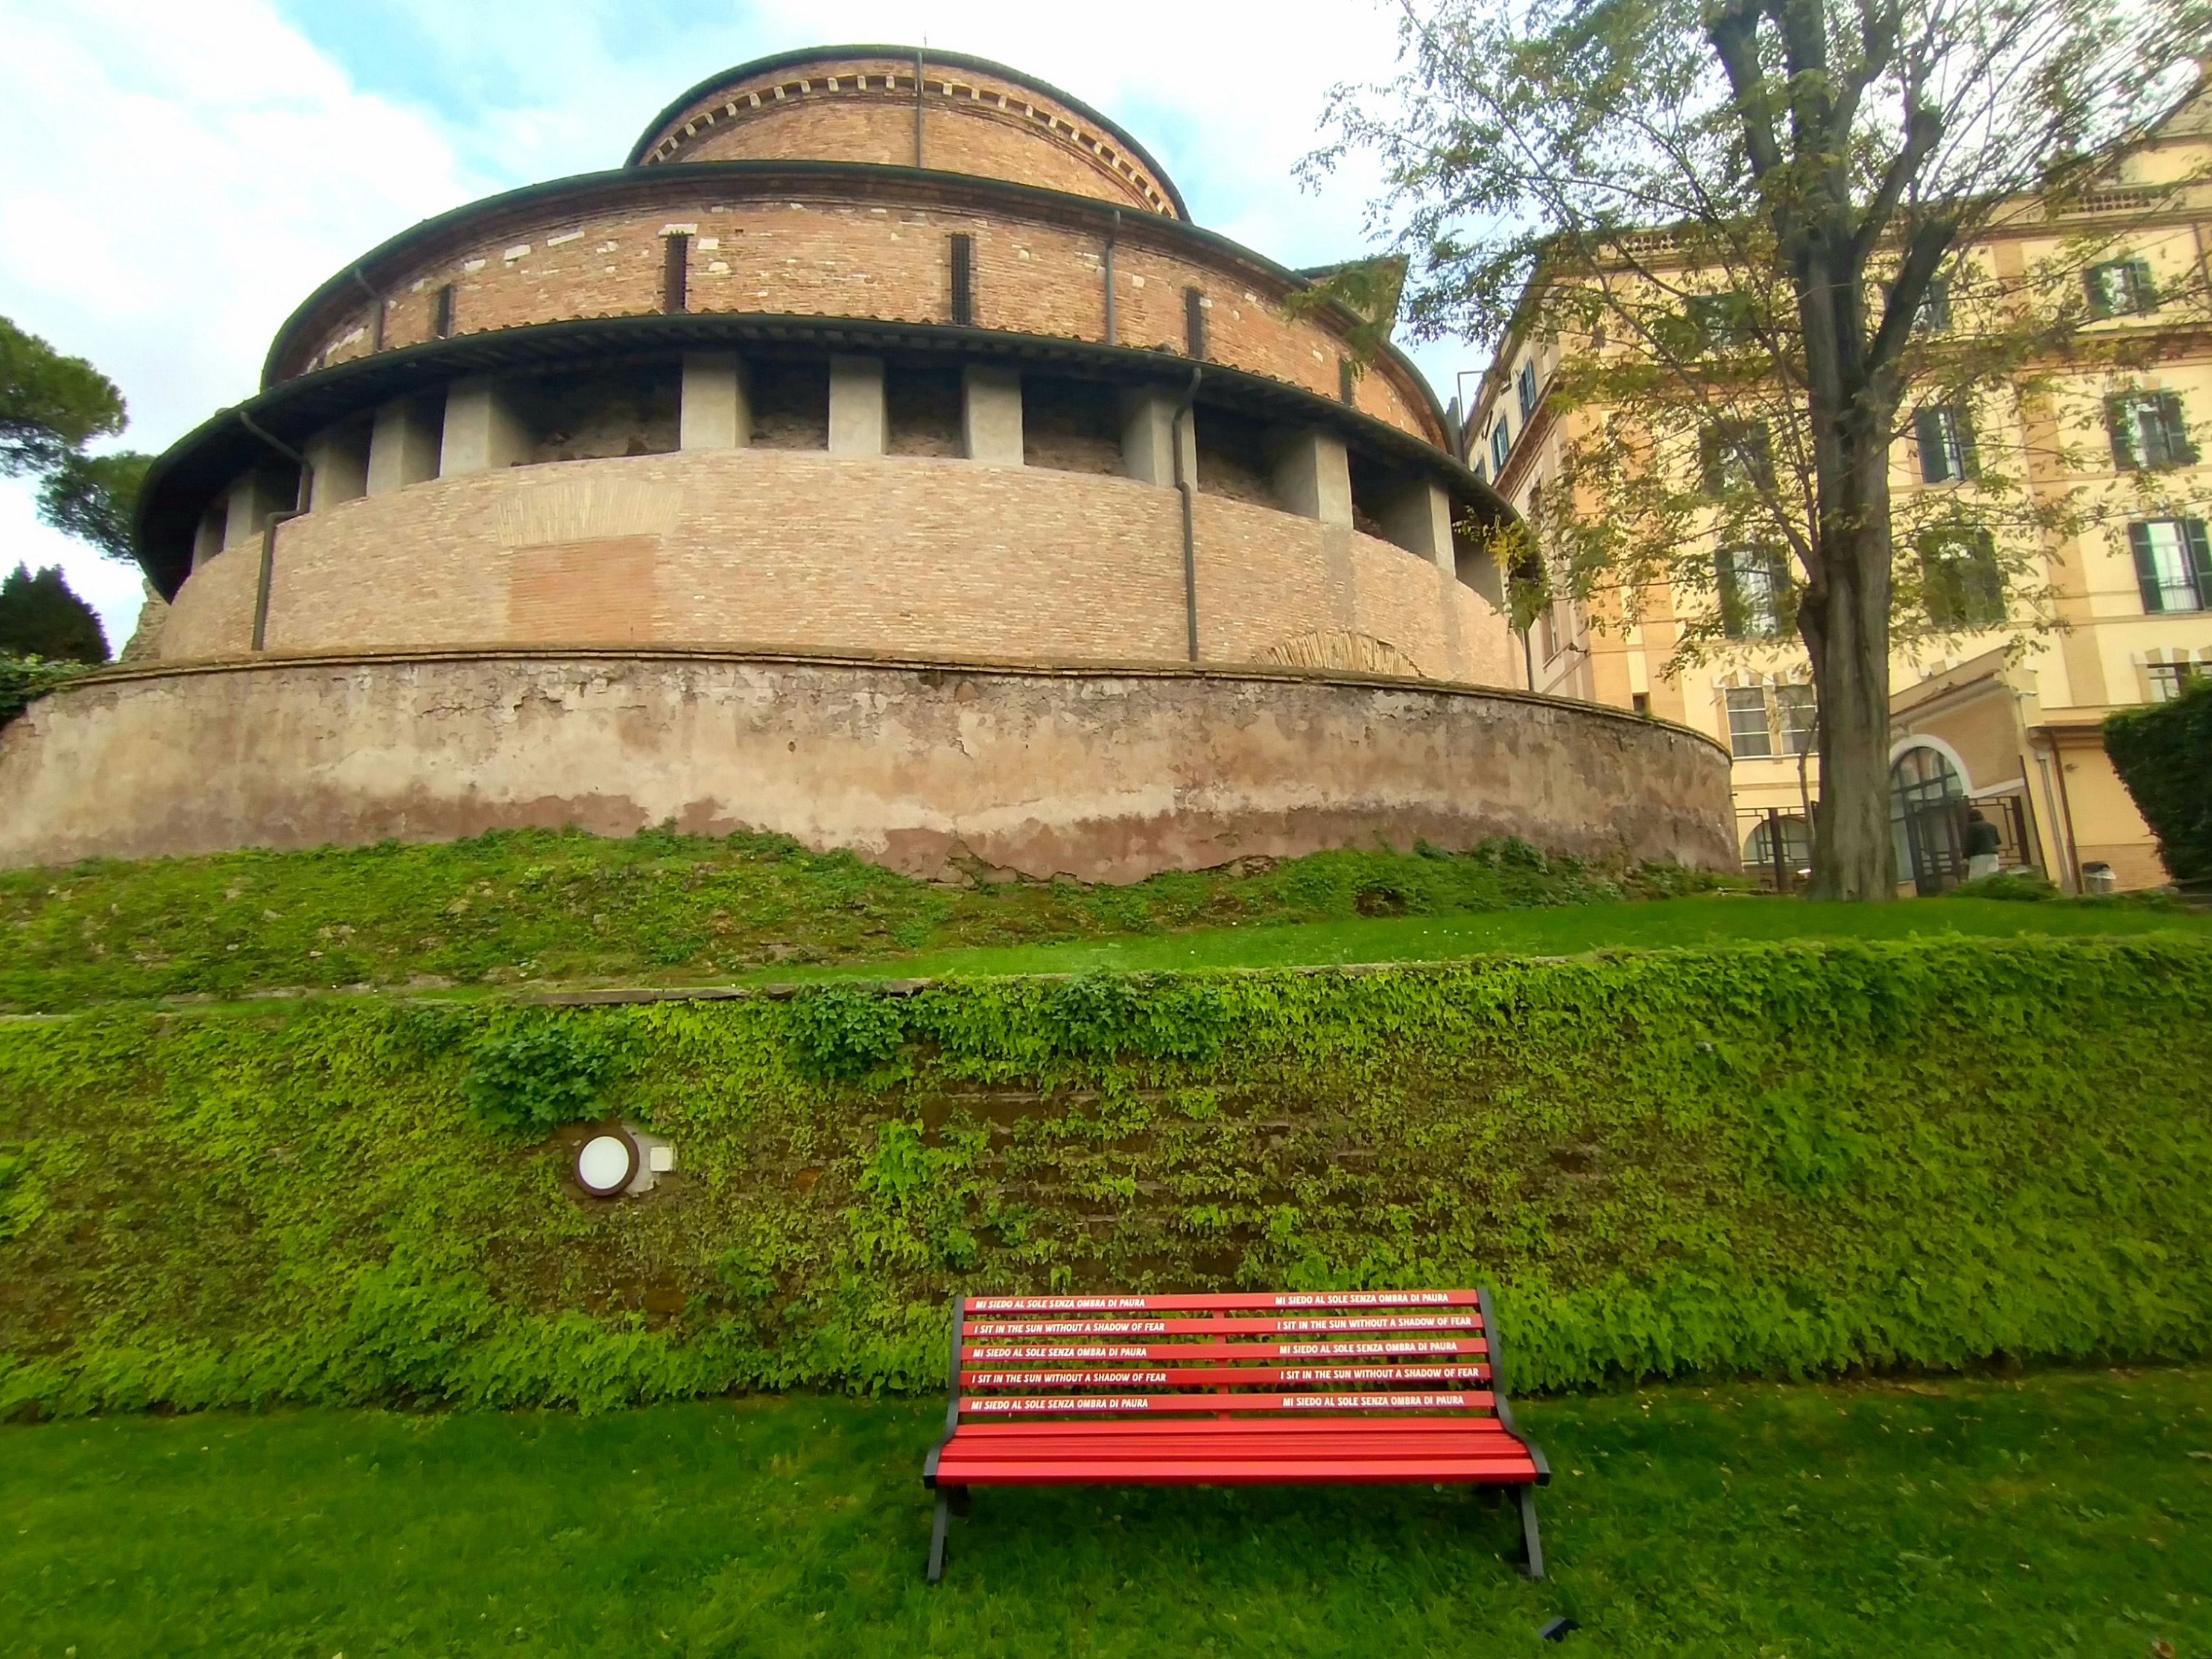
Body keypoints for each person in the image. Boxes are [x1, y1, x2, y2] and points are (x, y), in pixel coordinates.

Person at [1965, 809, 2003, 882]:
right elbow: (1997, 842)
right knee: (1992, 878)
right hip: (1993, 855)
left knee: (1977, 878)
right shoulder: (1992, 826)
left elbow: (1970, 843)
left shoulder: (1971, 827)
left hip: (1979, 856)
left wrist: (1966, 856)